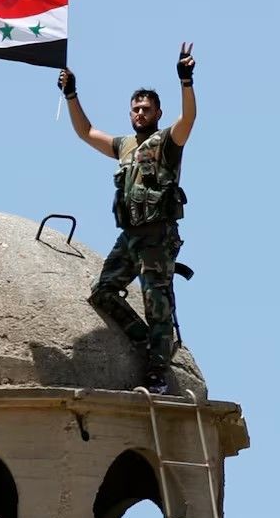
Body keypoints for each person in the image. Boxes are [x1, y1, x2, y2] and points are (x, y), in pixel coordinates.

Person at [58, 42, 197, 395]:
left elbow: (188, 120)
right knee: (103, 292)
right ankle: (149, 344)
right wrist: (71, 94)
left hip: (157, 237)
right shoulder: (125, 147)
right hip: (131, 237)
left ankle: (158, 372)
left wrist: (186, 81)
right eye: (135, 108)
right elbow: (86, 132)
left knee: (157, 304)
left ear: (158, 112)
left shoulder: (166, 142)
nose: (140, 113)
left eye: (146, 109)